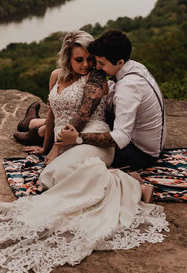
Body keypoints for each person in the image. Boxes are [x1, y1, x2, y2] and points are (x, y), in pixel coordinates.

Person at [0, 30, 167, 273]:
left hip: (104, 139)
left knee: (58, 176)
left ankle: (133, 186)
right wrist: (48, 146)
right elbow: (55, 111)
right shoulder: (65, 76)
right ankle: (36, 128)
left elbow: (85, 122)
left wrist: (60, 146)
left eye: (93, 61)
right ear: (67, 60)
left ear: (117, 63)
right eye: (82, 60)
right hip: (76, 137)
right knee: (49, 176)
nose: (90, 66)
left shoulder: (100, 80)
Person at [58, 29, 165, 170]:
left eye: (102, 63)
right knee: (91, 116)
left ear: (120, 62)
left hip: (139, 154)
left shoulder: (129, 86)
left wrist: (78, 137)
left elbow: (121, 137)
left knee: (77, 153)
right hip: (145, 141)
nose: (97, 67)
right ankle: (41, 128)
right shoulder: (134, 66)